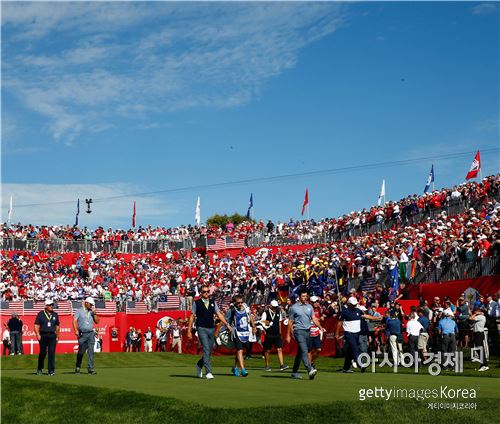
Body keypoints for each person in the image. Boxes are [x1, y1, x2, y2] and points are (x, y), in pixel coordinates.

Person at [187, 284, 232, 380]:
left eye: (208, 291)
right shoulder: (197, 303)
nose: (206, 293)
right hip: (201, 328)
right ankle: (208, 372)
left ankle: (199, 364)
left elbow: (219, 314)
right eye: (204, 292)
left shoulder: (212, 302)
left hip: (211, 328)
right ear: (201, 293)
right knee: (206, 349)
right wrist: (189, 330)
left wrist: (226, 324)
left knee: (210, 349)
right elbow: (192, 316)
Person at [286, 290, 324, 380]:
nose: (305, 298)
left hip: (308, 331)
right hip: (298, 331)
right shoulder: (293, 307)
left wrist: (320, 326)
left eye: (306, 296)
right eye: (303, 296)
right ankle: (309, 369)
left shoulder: (309, 306)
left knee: (300, 352)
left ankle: (294, 372)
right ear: (299, 297)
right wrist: (288, 335)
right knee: (304, 350)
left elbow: (313, 318)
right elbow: (290, 321)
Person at [336, 297, 380, 373]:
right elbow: (339, 323)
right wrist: (337, 333)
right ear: (349, 304)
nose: (354, 305)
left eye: (355, 304)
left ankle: (346, 368)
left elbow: (365, 316)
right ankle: (360, 365)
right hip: (349, 334)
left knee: (350, 351)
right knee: (355, 349)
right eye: (353, 304)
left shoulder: (358, 310)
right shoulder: (344, 312)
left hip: (356, 334)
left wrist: (376, 318)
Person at [228, 294, 256, 377]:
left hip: (245, 332)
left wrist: (253, 326)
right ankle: (243, 369)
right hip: (237, 332)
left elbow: (250, 317)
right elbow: (226, 320)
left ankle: (235, 367)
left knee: (240, 351)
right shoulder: (232, 310)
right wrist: (227, 327)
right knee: (239, 350)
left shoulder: (246, 308)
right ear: (235, 303)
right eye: (238, 303)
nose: (240, 304)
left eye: (241, 302)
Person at [73, 297, 100, 374]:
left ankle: (90, 368)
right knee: (81, 352)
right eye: (90, 304)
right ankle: (78, 366)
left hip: (91, 333)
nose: (91, 306)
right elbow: (74, 321)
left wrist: (95, 313)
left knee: (91, 352)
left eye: (92, 305)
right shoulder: (79, 311)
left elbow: (97, 321)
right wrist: (75, 330)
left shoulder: (92, 312)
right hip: (82, 334)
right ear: (86, 303)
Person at [34, 299, 60, 376]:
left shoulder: (55, 314)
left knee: (52, 353)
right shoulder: (40, 314)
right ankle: (40, 368)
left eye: (52, 305)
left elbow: (57, 326)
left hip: (52, 335)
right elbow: (36, 325)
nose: (52, 306)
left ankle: (51, 370)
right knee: (43, 353)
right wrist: (38, 334)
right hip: (43, 335)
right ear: (46, 306)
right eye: (50, 305)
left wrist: (57, 336)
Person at [260, 300, 288, 371]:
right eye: (274, 307)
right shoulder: (265, 313)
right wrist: (266, 329)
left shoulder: (278, 312)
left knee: (279, 349)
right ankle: (267, 365)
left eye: (276, 307)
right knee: (267, 350)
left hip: (276, 334)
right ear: (271, 306)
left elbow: (279, 323)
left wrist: (280, 332)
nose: (275, 308)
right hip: (269, 334)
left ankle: (281, 365)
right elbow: (262, 322)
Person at [470, 307, 489, 371]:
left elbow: (471, 318)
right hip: (477, 334)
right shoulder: (480, 317)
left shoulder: (481, 316)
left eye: (475, 311)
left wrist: (476, 313)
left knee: (480, 349)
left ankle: (485, 365)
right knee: (479, 349)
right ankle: (483, 364)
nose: (474, 313)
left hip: (479, 334)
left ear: (477, 311)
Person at [308, 296, 324, 368]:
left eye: (317, 302)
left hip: (316, 332)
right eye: (315, 302)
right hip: (309, 332)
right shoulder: (308, 309)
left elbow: (321, 318)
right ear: (311, 302)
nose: (316, 303)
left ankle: (311, 361)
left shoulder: (319, 309)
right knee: (309, 350)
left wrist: (321, 319)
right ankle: (309, 365)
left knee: (318, 349)